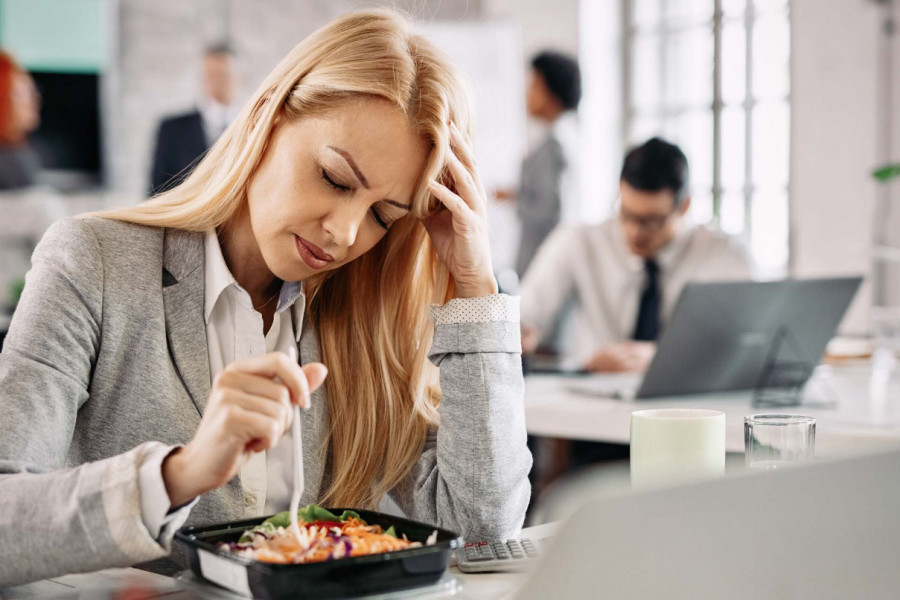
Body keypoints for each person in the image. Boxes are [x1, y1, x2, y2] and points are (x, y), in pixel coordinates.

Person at [0, 10, 531, 587]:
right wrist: (177, 474)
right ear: (269, 118)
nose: (346, 233)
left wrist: (476, 287)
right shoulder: (93, 261)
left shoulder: (364, 316)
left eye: (383, 214)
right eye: (334, 178)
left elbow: (482, 532)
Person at [520, 137, 755, 372]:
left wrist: (664, 358)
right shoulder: (578, 241)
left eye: (650, 221)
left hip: (691, 398)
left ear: (684, 206)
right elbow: (525, 316)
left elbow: (748, 340)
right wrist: (520, 333)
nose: (634, 232)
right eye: (626, 214)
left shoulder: (723, 252)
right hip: (596, 391)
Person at [496, 50, 581, 278]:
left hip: (543, 266)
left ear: (552, 92)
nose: (527, 94)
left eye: (534, 86)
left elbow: (551, 209)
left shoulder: (556, 143)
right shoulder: (564, 135)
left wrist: (519, 201)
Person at [149, 44, 240, 195]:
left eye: (224, 75)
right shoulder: (172, 129)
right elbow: (155, 192)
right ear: (202, 78)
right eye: (211, 74)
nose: (218, 82)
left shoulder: (255, 127)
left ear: (238, 77)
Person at [0, 51, 41, 190]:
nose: (35, 100)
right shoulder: (9, 163)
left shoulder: (20, 154)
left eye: (33, 92)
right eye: (22, 95)